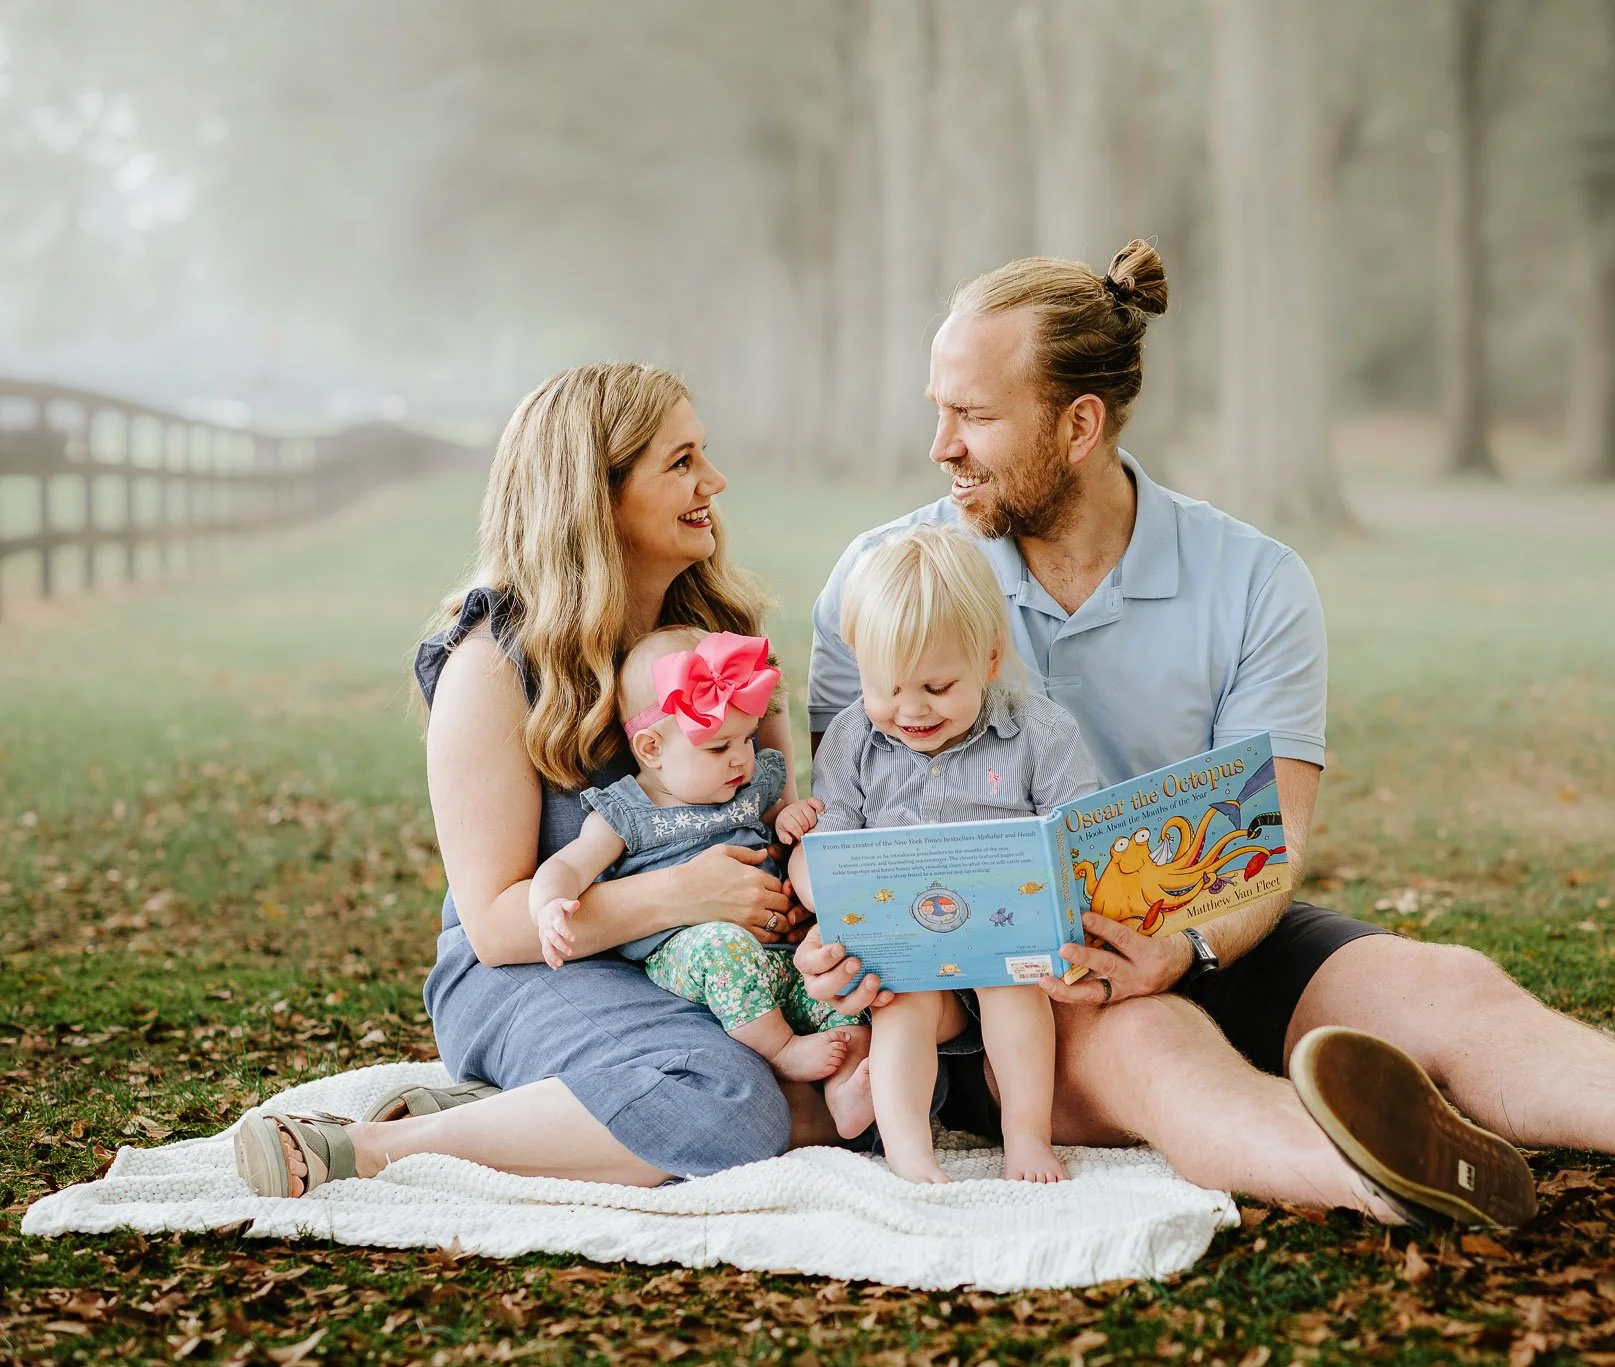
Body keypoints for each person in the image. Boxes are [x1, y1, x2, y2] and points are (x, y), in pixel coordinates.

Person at [795, 242, 1615, 1227]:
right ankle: (1387, 1171)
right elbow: (846, 826)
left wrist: (1186, 948)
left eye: (973, 415)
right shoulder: (885, 582)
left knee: (1443, 983)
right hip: (1013, 983)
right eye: (938, 408)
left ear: (1077, 424)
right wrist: (837, 934)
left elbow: (1273, 831)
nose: (938, 444)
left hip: (1206, 923)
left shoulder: (1251, 578)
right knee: (1156, 1049)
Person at [233, 362, 816, 1199]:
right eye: (681, 461)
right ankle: (382, 1145)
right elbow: (502, 926)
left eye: (705, 456)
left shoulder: (720, 639)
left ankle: (541, 1109)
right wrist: (689, 894)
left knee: (887, 1066)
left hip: (703, 959)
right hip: (530, 970)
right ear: (597, 492)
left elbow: (768, 822)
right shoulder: (492, 664)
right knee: (730, 1106)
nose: (713, 481)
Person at [787, 524, 1098, 1184]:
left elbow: (1079, 831)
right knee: (903, 1004)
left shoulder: (1037, 732)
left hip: (1007, 936)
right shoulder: (852, 740)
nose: (910, 709)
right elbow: (832, 839)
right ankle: (908, 1150)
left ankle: (1026, 1136)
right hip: (908, 945)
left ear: (988, 661)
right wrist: (822, 888)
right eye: (888, 687)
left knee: (1014, 991)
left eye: (935, 686)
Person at [526, 626, 870, 1133]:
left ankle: (846, 1094)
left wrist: (790, 819)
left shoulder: (753, 785)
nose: (740, 758)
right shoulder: (628, 809)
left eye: (747, 739)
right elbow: (568, 865)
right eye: (717, 747)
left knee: (835, 980)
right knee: (722, 944)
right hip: (692, 954)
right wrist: (550, 904)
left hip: (777, 956)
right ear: (650, 748)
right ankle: (782, 1050)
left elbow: (782, 826)